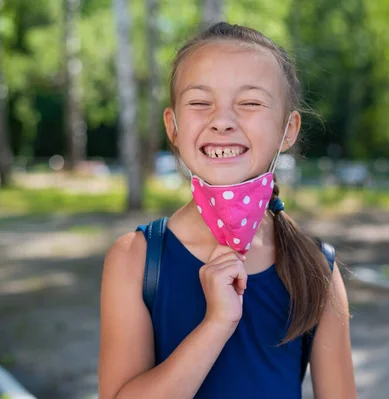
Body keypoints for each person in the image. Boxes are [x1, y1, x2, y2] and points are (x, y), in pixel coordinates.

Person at [98, 22, 356, 399]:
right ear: (173, 125)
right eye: (200, 103)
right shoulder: (135, 259)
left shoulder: (318, 268)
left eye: (250, 103)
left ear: (288, 129)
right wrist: (217, 323)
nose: (221, 120)